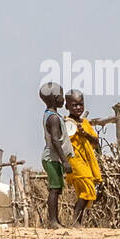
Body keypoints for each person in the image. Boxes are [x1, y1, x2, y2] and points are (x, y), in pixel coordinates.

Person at [64, 89, 103, 226]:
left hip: (86, 160)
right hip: (75, 160)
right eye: (74, 105)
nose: (78, 108)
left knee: (84, 191)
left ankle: (77, 221)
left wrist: (84, 133)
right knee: (88, 188)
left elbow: (95, 142)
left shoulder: (85, 123)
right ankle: (75, 220)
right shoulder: (66, 123)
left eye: (81, 104)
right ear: (67, 106)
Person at [39, 81, 72, 228]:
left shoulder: (53, 116)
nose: (63, 99)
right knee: (54, 189)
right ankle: (52, 221)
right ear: (55, 98)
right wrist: (65, 161)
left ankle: (56, 221)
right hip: (52, 158)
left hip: (54, 158)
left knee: (57, 188)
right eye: (61, 96)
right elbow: (55, 140)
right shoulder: (53, 118)